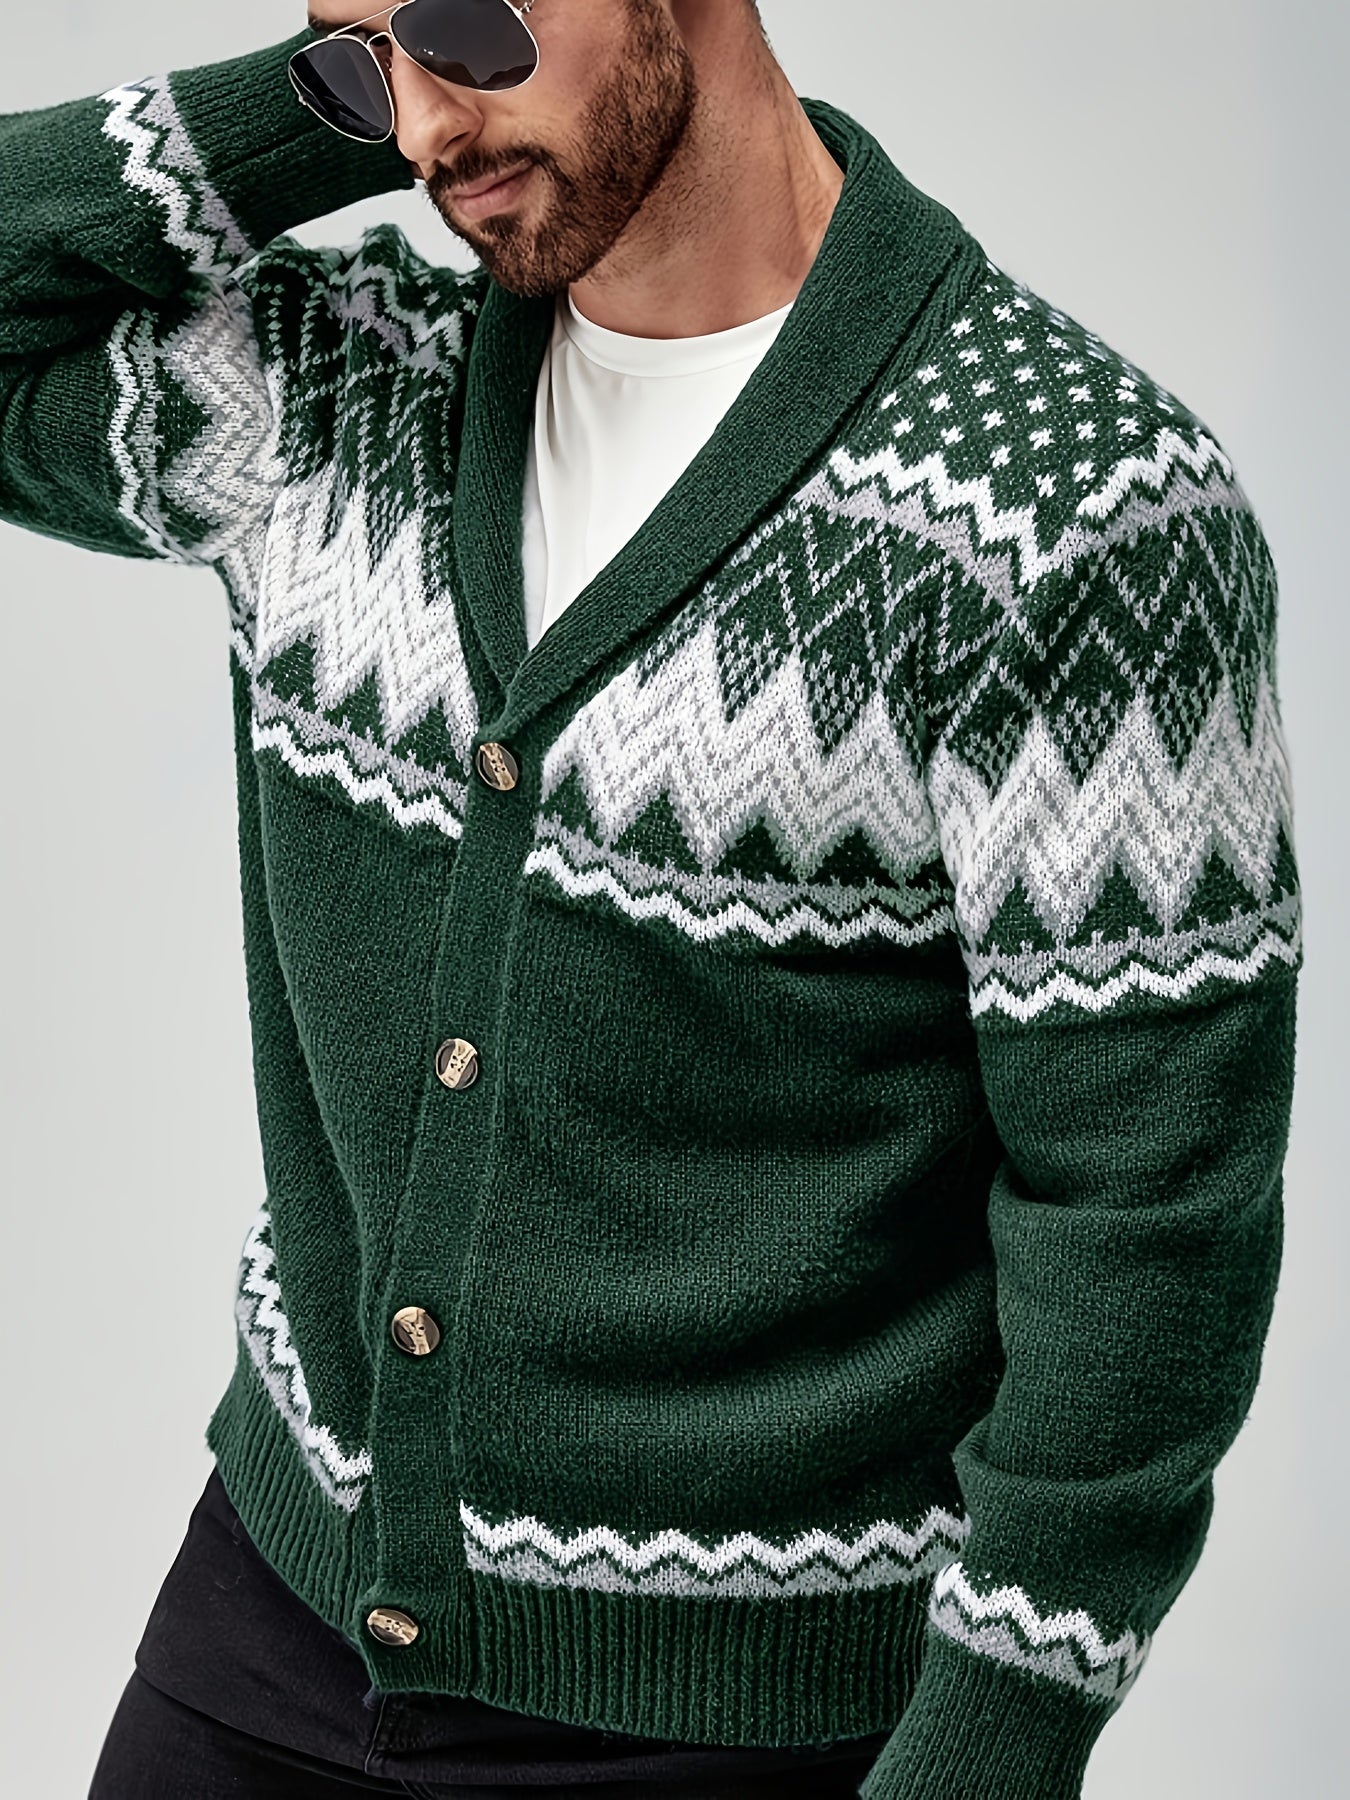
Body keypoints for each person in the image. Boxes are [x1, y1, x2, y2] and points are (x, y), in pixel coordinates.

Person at [0, 2, 1304, 1796]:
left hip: (732, 1719)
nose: (424, 133)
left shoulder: (1069, 511)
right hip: (273, 1625)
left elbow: (1143, 1213)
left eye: (464, 26)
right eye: (365, 69)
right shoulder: (335, 399)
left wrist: (990, 1748)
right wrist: (320, 100)